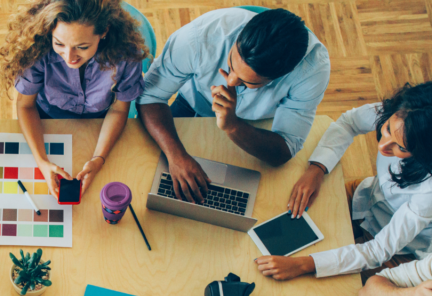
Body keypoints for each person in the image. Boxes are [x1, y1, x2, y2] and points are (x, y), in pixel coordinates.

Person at [256, 81, 432, 281]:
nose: (382, 146)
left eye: (401, 147)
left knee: (328, 288)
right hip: (367, 199)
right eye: (386, 130)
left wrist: (304, 265)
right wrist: (317, 168)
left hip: (403, 251)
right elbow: (348, 122)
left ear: (429, 153)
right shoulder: (404, 114)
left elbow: (378, 251)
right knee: (281, 207)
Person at [137, 8, 329, 202]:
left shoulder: (312, 72)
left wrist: (233, 125)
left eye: (248, 82)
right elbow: (149, 97)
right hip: (192, 102)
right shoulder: (200, 37)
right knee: (146, 175)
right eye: (231, 64)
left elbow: (284, 148)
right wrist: (176, 157)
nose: (230, 81)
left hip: (253, 125)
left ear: (280, 76)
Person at [0, 0, 150, 197]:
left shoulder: (126, 55)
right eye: (59, 43)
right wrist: (42, 162)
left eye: (82, 46)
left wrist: (99, 159)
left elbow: (120, 109)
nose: (69, 56)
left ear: (103, 32)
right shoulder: (37, 49)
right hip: (45, 117)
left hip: (101, 122)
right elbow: (26, 106)